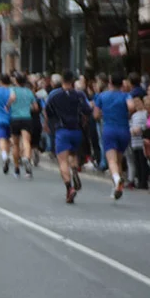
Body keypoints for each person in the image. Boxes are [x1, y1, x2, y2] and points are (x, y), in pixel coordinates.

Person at [45, 70, 92, 203]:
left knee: (62, 161)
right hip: (76, 130)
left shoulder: (54, 94)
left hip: (62, 130)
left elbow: (48, 111)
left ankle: (69, 188)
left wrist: (50, 124)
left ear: (62, 80)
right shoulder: (79, 94)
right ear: (72, 81)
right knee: (73, 154)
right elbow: (87, 110)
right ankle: (74, 170)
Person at [94, 74, 134, 199]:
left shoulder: (102, 96)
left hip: (109, 129)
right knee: (118, 160)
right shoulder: (126, 95)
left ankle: (117, 180)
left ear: (110, 82)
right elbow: (131, 106)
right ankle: (116, 187)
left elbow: (95, 115)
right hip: (124, 130)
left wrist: (104, 114)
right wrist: (127, 115)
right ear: (122, 83)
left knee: (111, 160)